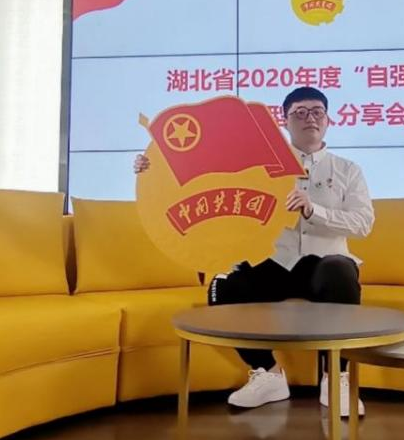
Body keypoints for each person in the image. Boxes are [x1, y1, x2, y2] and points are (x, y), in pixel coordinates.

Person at [135, 86, 374, 417]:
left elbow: (363, 223)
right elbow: (205, 174)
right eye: (300, 112)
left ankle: (335, 378)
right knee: (223, 285)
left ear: (328, 120)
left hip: (325, 263)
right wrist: (154, 168)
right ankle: (268, 373)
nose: (310, 118)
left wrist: (313, 210)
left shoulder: (348, 170)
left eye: (317, 111)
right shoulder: (261, 163)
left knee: (340, 271)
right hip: (275, 262)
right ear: (285, 121)